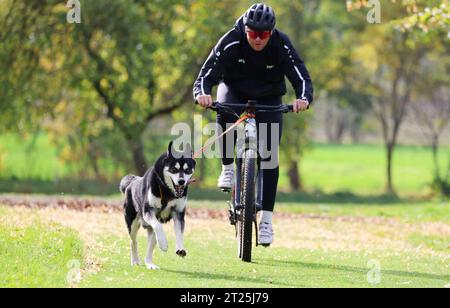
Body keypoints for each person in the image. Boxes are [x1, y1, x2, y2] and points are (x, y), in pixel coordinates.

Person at [193, 3, 313, 246]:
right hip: (235, 91)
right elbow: (206, 75)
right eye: (253, 33)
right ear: (245, 30)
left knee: (270, 157)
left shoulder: (281, 43)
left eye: (264, 34)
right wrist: (202, 93)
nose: (258, 39)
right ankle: (227, 167)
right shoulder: (230, 40)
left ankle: (266, 220)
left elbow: (300, 74)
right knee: (223, 108)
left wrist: (303, 98)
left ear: (271, 32)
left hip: (269, 97)